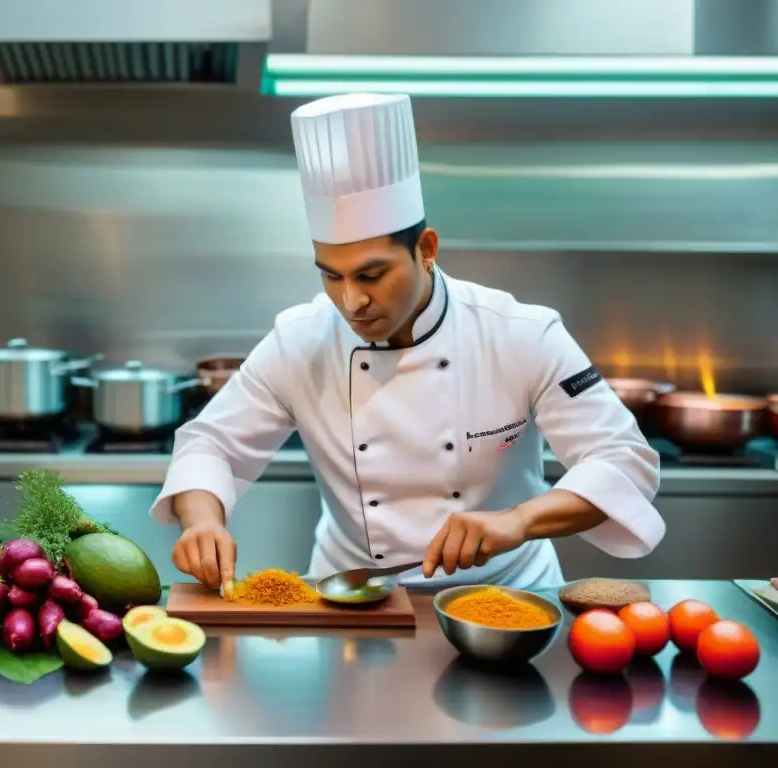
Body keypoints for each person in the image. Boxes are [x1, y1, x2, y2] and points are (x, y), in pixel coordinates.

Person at [149, 92, 664, 594]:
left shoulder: (521, 334)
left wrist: (518, 521)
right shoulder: (299, 341)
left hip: (506, 596)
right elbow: (210, 442)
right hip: (351, 599)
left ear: (426, 249)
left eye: (373, 275)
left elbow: (621, 459)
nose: (351, 302)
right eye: (332, 276)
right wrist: (202, 521)